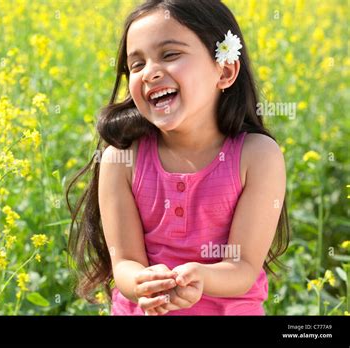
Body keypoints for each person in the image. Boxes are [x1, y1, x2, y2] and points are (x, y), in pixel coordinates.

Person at [67, 0, 290, 316]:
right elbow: (125, 262)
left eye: (170, 55)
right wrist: (143, 283)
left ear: (224, 70)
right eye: (137, 65)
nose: (150, 73)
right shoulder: (120, 159)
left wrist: (200, 276)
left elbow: (243, 267)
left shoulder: (257, 156)